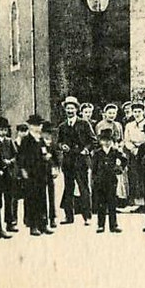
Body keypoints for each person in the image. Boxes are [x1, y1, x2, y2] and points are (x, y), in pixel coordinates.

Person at [57, 96, 94, 224]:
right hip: (68, 162)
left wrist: (86, 149)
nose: (70, 110)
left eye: (72, 108)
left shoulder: (84, 123)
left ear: (76, 109)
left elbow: (93, 140)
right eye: (67, 108)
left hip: (81, 160)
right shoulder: (62, 126)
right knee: (68, 189)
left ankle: (87, 217)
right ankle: (69, 217)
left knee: (84, 188)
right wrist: (62, 146)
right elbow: (59, 142)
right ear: (65, 110)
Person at [17, 115, 54, 236]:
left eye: (39, 125)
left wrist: (47, 157)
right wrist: (23, 170)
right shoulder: (26, 140)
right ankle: (33, 225)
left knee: (42, 199)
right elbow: (21, 157)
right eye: (35, 125)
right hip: (31, 173)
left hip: (42, 173)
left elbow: (45, 153)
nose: (38, 127)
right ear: (30, 126)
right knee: (32, 199)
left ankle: (43, 224)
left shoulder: (41, 139)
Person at [91, 125, 125, 233]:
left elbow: (124, 160)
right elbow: (93, 167)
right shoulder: (97, 153)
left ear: (112, 141)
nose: (106, 142)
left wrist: (120, 168)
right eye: (104, 140)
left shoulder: (115, 152)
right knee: (101, 203)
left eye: (108, 140)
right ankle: (100, 225)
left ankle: (113, 225)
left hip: (111, 180)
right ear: (100, 141)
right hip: (100, 181)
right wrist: (95, 178)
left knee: (112, 203)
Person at [124, 101, 145, 212]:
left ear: (143, 112)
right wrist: (133, 149)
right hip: (134, 153)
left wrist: (142, 149)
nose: (137, 114)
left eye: (139, 111)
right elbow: (127, 140)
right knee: (134, 176)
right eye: (135, 111)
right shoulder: (129, 125)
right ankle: (135, 201)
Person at [41, 122, 61, 228]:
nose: (48, 135)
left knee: (51, 195)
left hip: (49, 171)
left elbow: (56, 157)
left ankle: (52, 217)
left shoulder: (52, 143)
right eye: (46, 132)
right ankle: (43, 218)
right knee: (42, 195)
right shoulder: (38, 143)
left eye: (50, 133)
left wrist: (56, 168)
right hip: (40, 172)